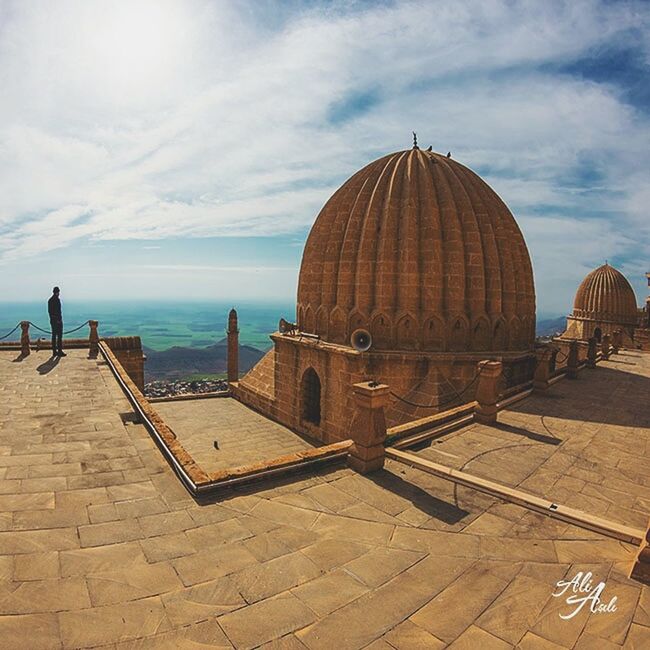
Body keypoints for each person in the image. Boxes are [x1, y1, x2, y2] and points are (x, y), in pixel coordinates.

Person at [47, 286, 66, 357]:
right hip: (57, 321)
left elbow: (50, 312)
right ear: (57, 292)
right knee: (59, 337)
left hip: (53, 321)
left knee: (54, 336)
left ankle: (54, 352)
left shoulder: (50, 300)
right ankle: (59, 351)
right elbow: (56, 312)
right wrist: (58, 320)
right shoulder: (56, 300)